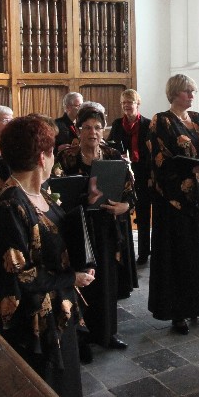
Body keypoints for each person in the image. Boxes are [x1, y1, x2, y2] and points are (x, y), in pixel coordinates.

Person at [0, 115, 94, 397]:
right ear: (41, 157)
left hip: (59, 311)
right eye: (51, 152)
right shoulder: (11, 205)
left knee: (67, 394)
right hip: (34, 324)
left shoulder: (40, 193)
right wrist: (72, 278)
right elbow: (20, 276)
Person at [53, 105, 135, 358]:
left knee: (107, 281)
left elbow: (130, 189)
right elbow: (55, 193)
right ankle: (82, 340)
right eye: (87, 127)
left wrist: (125, 206)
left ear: (104, 130)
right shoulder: (66, 157)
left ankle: (107, 333)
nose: (93, 132)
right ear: (78, 130)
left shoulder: (113, 154)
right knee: (83, 282)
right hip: (78, 228)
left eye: (98, 127)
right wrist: (81, 200)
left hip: (107, 226)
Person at [146, 74, 199, 334]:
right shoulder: (161, 120)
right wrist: (191, 171)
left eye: (193, 91)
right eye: (187, 91)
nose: (191, 95)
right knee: (179, 256)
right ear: (174, 93)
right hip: (175, 201)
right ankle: (178, 312)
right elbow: (159, 160)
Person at [109, 89, 152, 264]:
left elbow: (152, 151)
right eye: (123, 103)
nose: (126, 106)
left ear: (137, 104)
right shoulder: (117, 124)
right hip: (123, 173)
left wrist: (150, 174)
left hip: (142, 172)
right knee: (124, 213)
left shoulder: (148, 124)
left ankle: (144, 252)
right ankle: (126, 252)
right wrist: (119, 156)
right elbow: (111, 147)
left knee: (143, 213)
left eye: (130, 102)